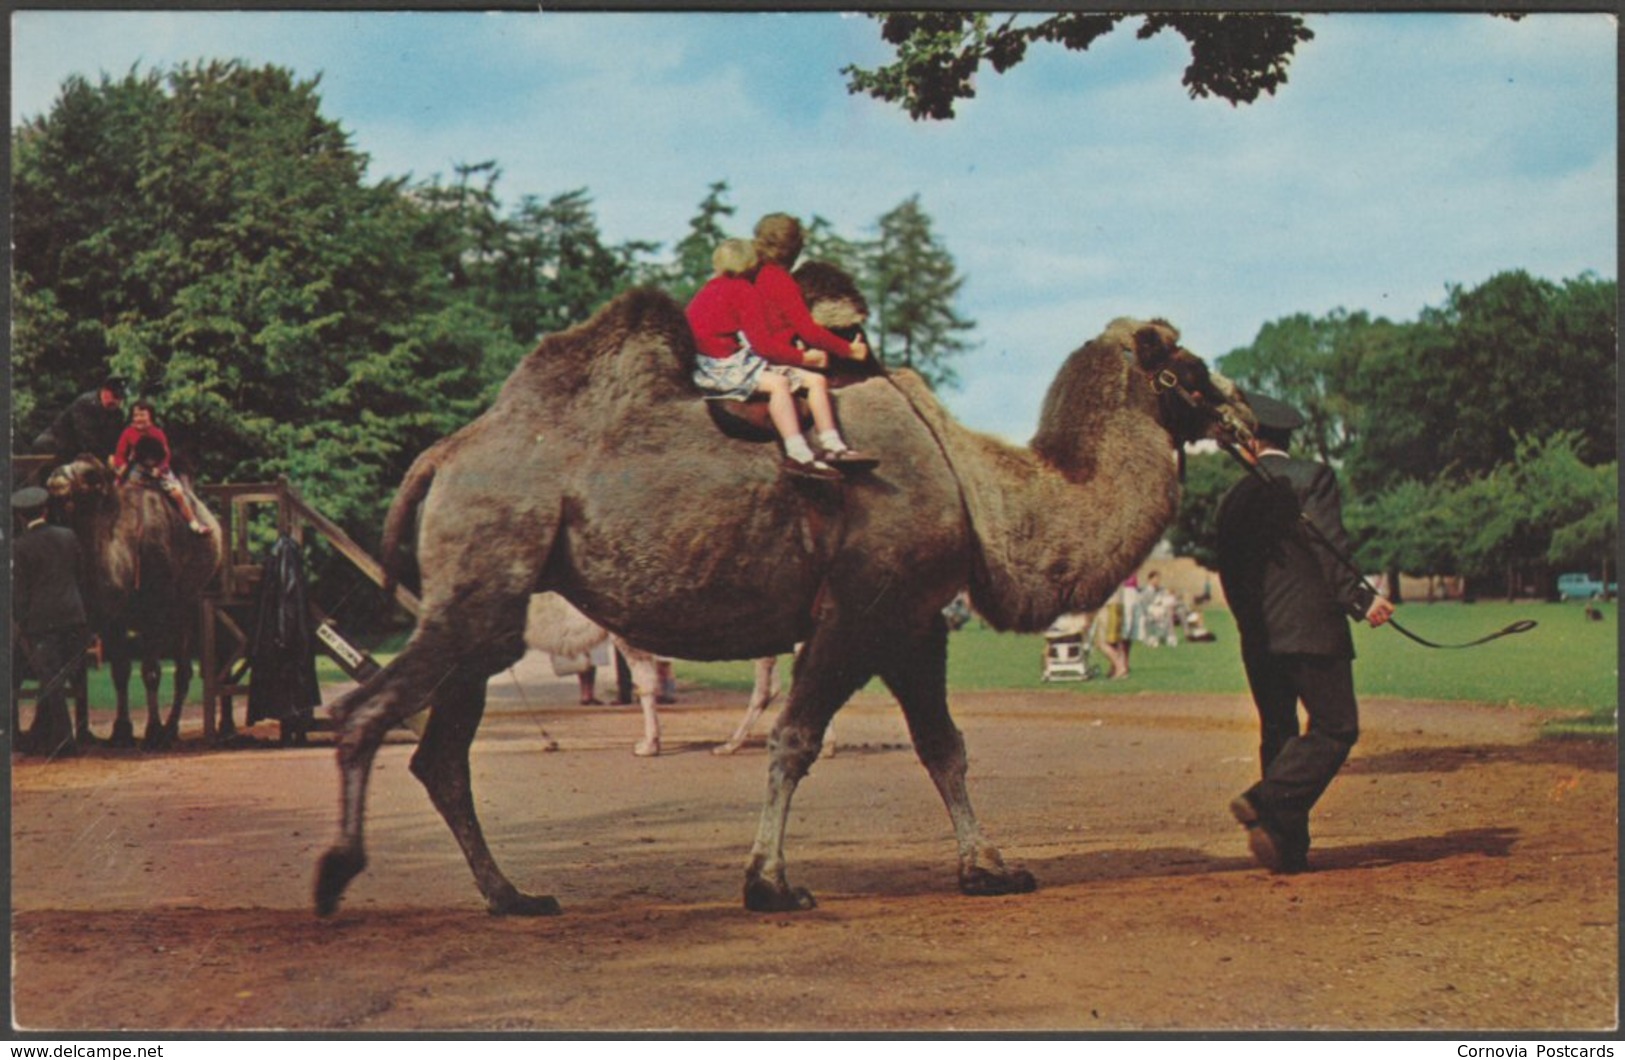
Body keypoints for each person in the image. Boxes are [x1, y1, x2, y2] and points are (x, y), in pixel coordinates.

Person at [1216, 393, 1394, 874]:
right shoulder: (1311, 477)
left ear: (1250, 439)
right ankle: (1266, 800)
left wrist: (1250, 625)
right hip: (1312, 630)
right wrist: (1363, 599)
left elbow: (1229, 575)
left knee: (1279, 732)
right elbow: (1326, 545)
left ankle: (1284, 848)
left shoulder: (1233, 498)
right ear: (1283, 438)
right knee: (1336, 727)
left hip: (1258, 637)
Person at [686, 239, 877, 480]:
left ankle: (833, 446)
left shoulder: (705, 291)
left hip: (707, 366)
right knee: (781, 385)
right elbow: (764, 346)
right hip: (725, 367)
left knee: (814, 381)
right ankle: (801, 452)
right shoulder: (744, 290)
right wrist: (805, 357)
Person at [12, 487, 91, 758]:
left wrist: (19, 621)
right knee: (56, 681)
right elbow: (81, 576)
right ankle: (45, 736)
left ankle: (64, 742)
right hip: (74, 617)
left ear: (21, 517)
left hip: (41, 623)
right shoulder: (68, 537)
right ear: (45, 510)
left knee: (52, 683)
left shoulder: (19, 547)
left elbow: (20, 592)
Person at [751, 213, 872, 369]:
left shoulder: (749, 275)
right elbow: (808, 331)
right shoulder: (779, 280)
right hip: (778, 357)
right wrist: (850, 350)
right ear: (796, 249)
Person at [111, 400, 210, 535]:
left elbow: (166, 455)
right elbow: (120, 454)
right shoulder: (128, 433)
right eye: (135, 415)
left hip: (158, 468)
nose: (138, 419)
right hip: (135, 467)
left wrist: (160, 468)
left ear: (150, 416)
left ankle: (193, 522)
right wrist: (121, 466)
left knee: (178, 494)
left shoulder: (157, 433)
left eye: (142, 415)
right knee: (116, 490)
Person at [31, 377, 126, 462]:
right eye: (114, 397)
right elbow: (87, 438)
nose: (116, 402)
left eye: (119, 399)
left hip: (76, 452)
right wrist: (106, 458)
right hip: (54, 446)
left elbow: (116, 439)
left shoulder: (116, 413)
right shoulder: (85, 404)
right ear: (104, 392)